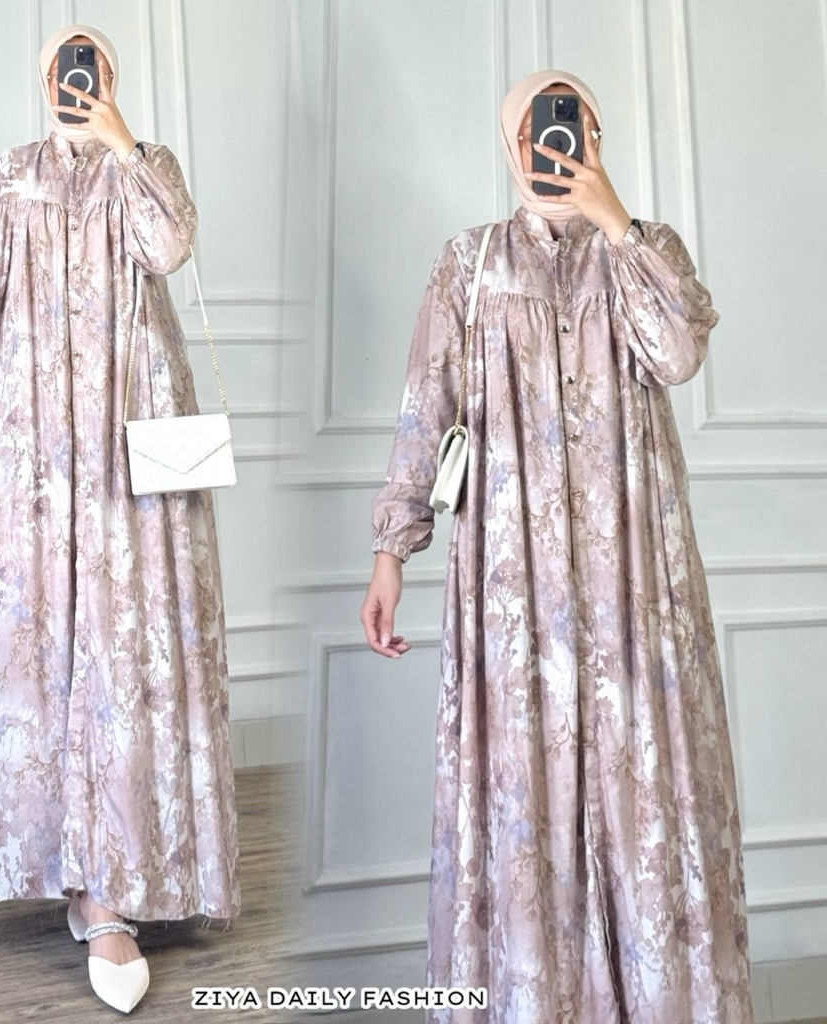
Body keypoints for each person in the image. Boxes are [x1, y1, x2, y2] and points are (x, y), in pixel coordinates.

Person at [360, 68, 753, 1023]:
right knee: (524, 797)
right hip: (514, 591)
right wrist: (390, 553)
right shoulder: (468, 266)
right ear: (509, 147)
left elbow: (679, 355)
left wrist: (617, 222)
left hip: (637, 583)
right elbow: (424, 411)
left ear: (597, 138)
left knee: (648, 795)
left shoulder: (645, 251)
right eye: (535, 130)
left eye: (571, 125)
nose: (554, 145)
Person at [0, 23, 241, 1015]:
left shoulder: (146, 166)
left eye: (91, 66)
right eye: (61, 69)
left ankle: (116, 888)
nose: (74, 82)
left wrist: (121, 137)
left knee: (125, 649)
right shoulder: (9, 176)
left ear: (110, 76)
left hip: (130, 439)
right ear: (41, 81)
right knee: (41, 645)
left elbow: (170, 245)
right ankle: (77, 876)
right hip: (25, 438)